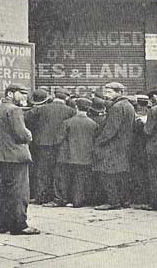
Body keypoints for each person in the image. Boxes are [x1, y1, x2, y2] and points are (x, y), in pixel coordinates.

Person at [0, 84, 39, 235]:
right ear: (10, 94)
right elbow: (21, 134)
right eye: (21, 93)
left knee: (3, 192)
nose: (24, 97)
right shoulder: (14, 110)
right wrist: (28, 134)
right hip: (16, 157)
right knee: (19, 192)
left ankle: (3, 225)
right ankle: (19, 225)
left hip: (0, 157)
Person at [23, 88, 75, 205]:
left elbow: (25, 117)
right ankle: (58, 197)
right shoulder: (70, 111)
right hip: (61, 145)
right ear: (66, 98)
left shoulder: (42, 109)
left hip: (42, 144)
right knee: (59, 172)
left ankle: (41, 197)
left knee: (42, 171)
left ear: (53, 96)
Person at [93, 82, 135, 210]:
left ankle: (112, 201)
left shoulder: (117, 107)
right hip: (123, 145)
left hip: (112, 146)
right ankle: (124, 200)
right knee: (121, 173)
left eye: (109, 92)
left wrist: (99, 141)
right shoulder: (128, 106)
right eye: (105, 91)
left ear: (119, 92)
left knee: (108, 173)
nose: (106, 95)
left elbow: (111, 129)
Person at [57, 98, 98, 207]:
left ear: (76, 107)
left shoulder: (67, 122)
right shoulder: (93, 124)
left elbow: (60, 138)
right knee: (81, 179)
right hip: (87, 156)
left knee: (68, 179)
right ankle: (79, 201)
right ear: (89, 109)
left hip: (69, 155)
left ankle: (66, 199)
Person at [130, 94, 151, 208]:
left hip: (137, 151)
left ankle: (140, 199)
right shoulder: (149, 117)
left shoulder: (137, 120)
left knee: (138, 175)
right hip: (146, 150)